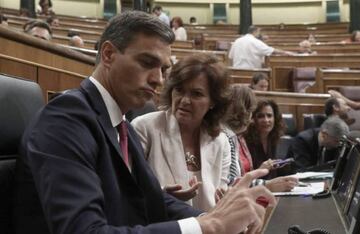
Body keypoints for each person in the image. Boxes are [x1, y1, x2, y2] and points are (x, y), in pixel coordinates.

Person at [12, 11, 276, 234]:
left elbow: (153, 200)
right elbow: (86, 230)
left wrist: (225, 217)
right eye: (147, 63)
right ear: (108, 55)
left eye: (162, 69)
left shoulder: (120, 124)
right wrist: (209, 225)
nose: (159, 80)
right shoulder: (66, 119)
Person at [131, 53, 231, 211]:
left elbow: (219, 197)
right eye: (179, 90)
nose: (184, 100)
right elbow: (128, 191)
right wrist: (163, 196)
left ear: (213, 101)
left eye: (196, 94)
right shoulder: (144, 128)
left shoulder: (220, 141)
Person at [224, 85, 298, 191]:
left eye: (269, 116)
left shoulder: (237, 138)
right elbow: (230, 182)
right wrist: (266, 183)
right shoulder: (229, 137)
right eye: (259, 116)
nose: (251, 120)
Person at [245, 100, 285, 173]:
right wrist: (260, 170)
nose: (266, 120)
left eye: (269, 116)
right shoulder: (246, 142)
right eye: (260, 116)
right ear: (253, 119)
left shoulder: (276, 140)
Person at [228, 25, 294, 69]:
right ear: (255, 31)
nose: (259, 34)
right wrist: (285, 52)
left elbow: (230, 57)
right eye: (259, 32)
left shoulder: (237, 41)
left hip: (236, 70)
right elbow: (272, 50)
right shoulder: (256, 42)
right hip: (251, 71)